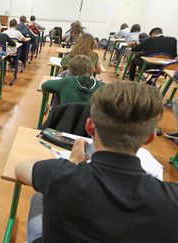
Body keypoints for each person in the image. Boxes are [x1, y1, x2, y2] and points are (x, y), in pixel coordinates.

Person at [16, 81, 178, 243]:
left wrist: (72, 162)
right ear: (150, 137)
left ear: (90, 126)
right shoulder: (172, 199)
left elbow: (20, 169)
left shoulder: (58, 174)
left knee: (39, 198)